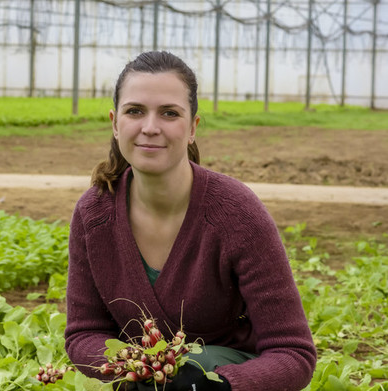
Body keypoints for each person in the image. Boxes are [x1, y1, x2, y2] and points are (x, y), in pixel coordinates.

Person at [63, 51, 316, 391]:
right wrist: (135, 366)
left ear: (193, 127)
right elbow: (84, 333)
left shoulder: (236, 212)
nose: (150, 128)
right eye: (135, 111)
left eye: (169, 113)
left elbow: (294, 353)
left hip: (226, 377)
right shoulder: (94, 213)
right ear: (115, 123)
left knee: (197, 365)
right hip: (139, 378)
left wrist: (221, 386)